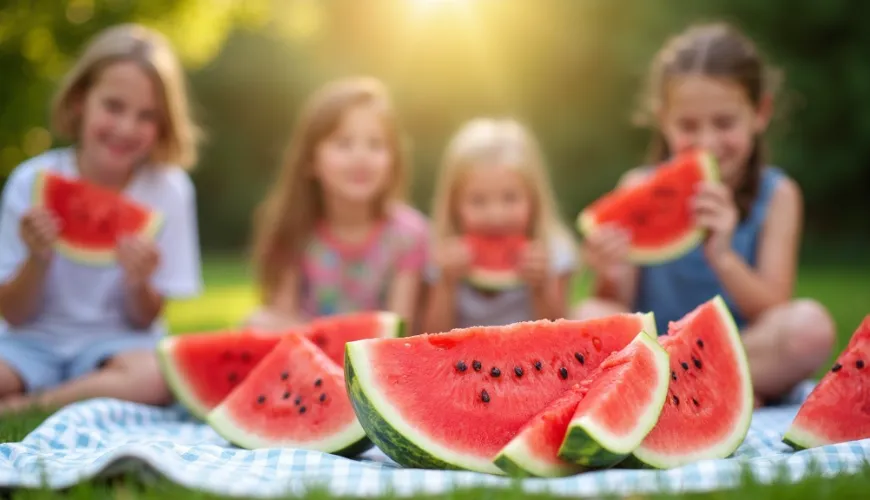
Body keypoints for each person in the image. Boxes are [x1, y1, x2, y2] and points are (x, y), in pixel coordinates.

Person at [571, 22, 835, 406]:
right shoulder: (635, 185)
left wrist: (723, 256)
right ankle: (725, 391)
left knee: (809, 327)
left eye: (724, 123)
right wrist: (609, 271)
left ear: (760, 113)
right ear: (664, 120)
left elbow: (774, 306)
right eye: (688, 126)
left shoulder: (778, 195)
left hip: (740, 348)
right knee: (587, 312)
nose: (707, 143)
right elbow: (616, 304)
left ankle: (663, 390)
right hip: (651, 347)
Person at [0, 24, 203, 413]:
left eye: (146, 116)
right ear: (80, 100)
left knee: (158, 377)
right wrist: (36, 257)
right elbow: (13, 313)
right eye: (113, 107)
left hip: (119, 346)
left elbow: (145, 320)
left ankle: (26, 406)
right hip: (30, 342)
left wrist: (138, 281)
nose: (126, 128)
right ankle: (81, 394)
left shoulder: (170, 190)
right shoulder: (32, 181)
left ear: (163, 124)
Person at [245, 76, 428, 331]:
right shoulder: (294, 228)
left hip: (381, 363)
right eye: (344, 144)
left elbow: (399, 329)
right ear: (310, 161)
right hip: (308, 360)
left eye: (376, 144)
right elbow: (281, 322)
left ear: (393, 160)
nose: (360, 157)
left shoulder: (409, 234)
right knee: (258, 321)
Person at [422, 117, 578, 333]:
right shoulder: (441, 253)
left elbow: (560, 334)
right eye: (478, 200)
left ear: (533, 197)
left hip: (529, 359)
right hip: (463, 360)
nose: (496, 216)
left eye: (510, 198)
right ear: (454, 204)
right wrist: (446, 284)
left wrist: (541, 287)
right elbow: (431, 335)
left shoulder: (555, 250)